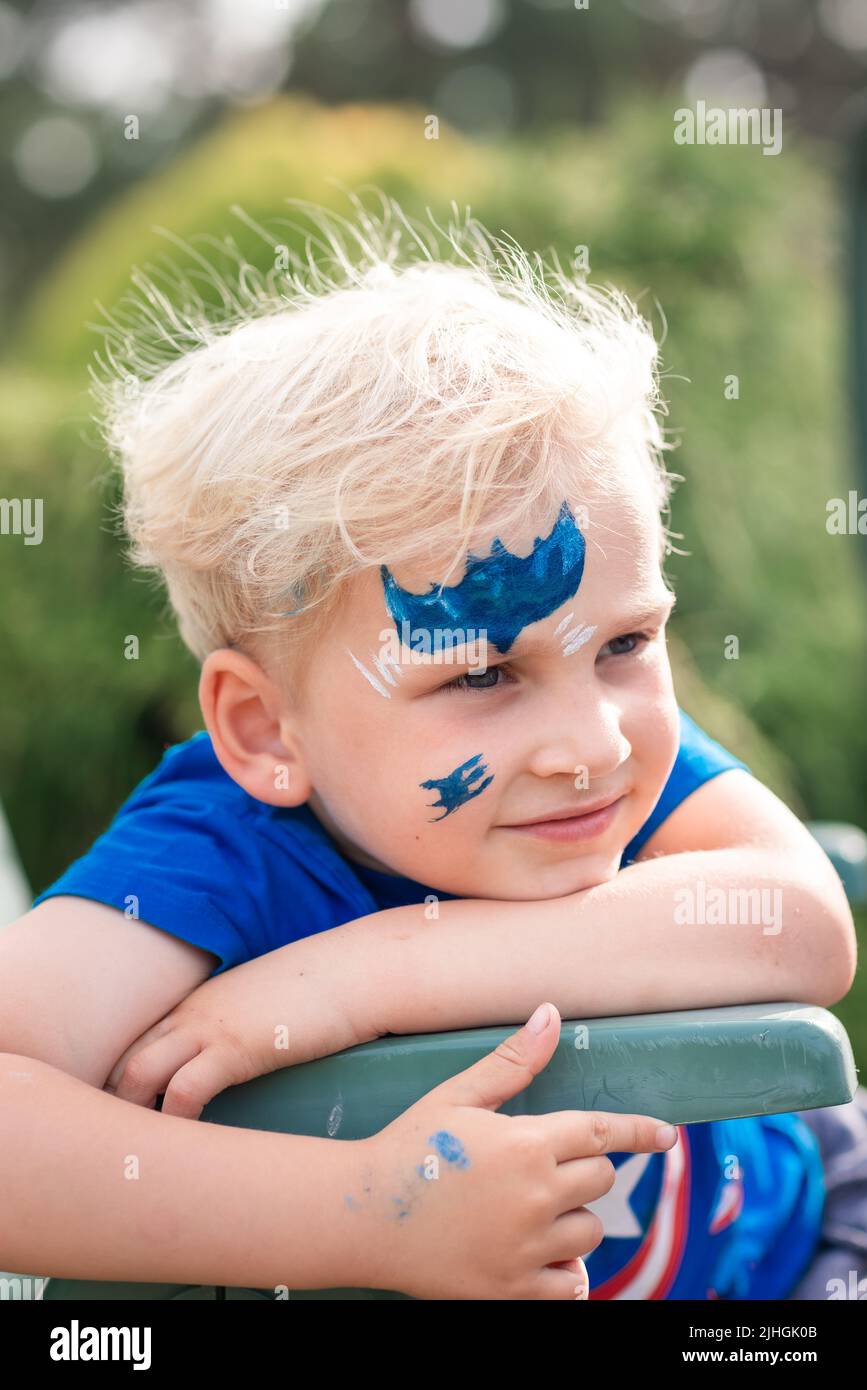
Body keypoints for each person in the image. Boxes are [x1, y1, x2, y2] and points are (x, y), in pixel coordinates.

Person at [1, 194, 861, 1299]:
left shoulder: (601, 744)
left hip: (801, 1246)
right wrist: (365, 1220)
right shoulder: (219, 850)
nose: (590, 744)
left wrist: (369, 972)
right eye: (481, 674)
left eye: (627, 641)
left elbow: (797, 924)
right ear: (266, 731)